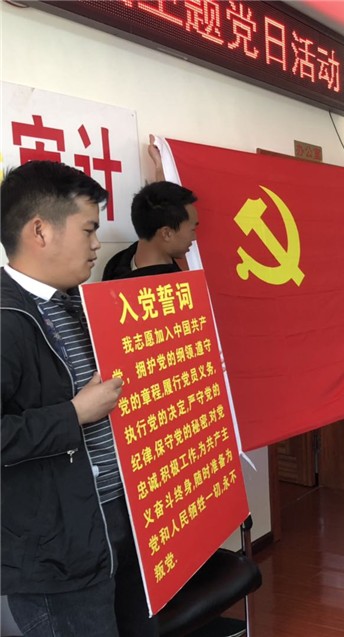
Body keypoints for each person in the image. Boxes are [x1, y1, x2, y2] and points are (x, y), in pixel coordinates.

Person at [1, 161, 157, 636]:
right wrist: (74, 414)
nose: (96, 244)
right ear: (40, 231)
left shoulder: (77, 303)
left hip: (115, 523)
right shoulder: (6, 320)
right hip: (57, 553)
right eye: (88, 229)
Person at [102, 179, 198, 280]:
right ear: (166, 233)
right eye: (193, 229)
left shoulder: (115, 265)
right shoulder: (179, 286)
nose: (194, 237)